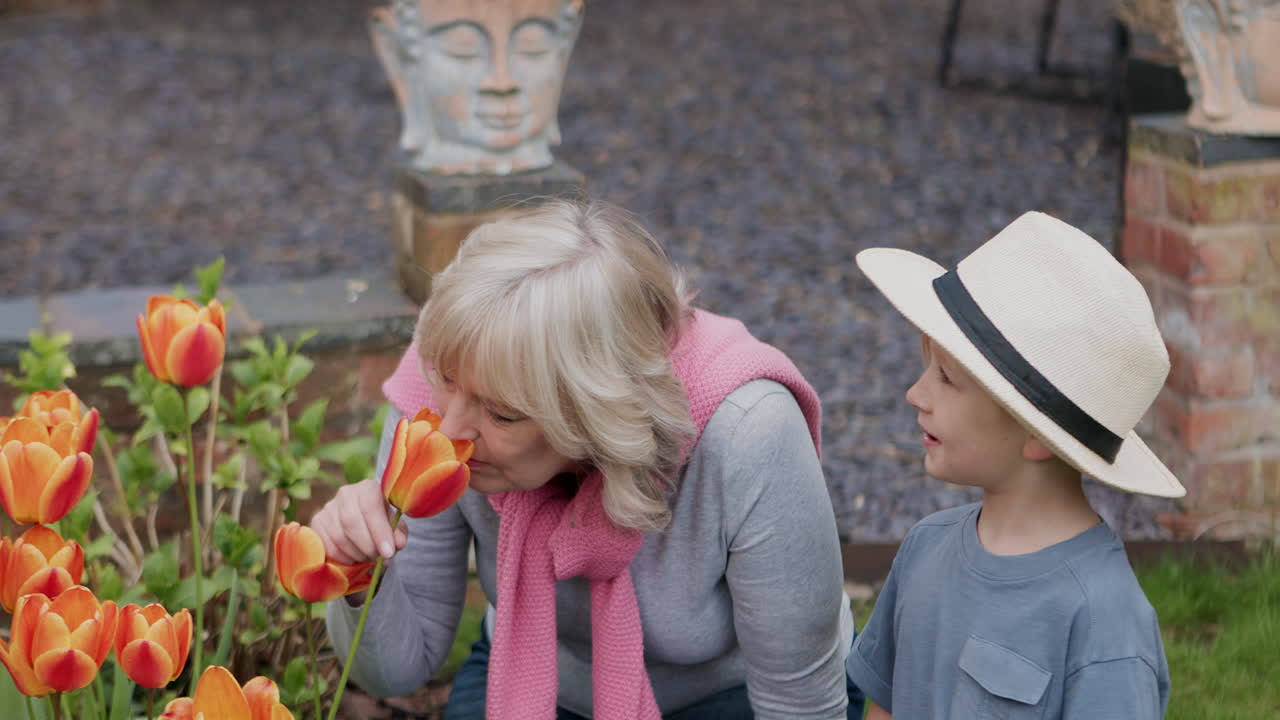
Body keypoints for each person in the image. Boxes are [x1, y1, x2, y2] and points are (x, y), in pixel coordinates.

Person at [313, 198, 865, 719]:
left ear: (596, 417)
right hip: (531, 675)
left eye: (503, 415)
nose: (451, 429)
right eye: (447, 382)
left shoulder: (749, 432)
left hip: (730, 695)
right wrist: (362, 575)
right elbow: (398, 672)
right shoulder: (442, 386)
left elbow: (799, 707)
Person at [847, 211, 1183, 719]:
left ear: (1035, 434)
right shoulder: (924, 549)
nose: (915, 393)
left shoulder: (1103, 620)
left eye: (946, 377)